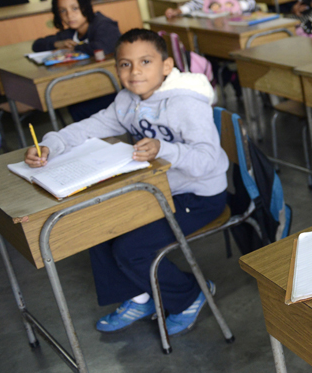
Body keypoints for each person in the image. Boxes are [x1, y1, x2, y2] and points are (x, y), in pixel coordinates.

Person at [25, 29, 229, 336]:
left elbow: (209, 160)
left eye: (145, 61)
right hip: (159, 189)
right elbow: (88, 128)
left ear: (166, 65)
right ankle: (140, 296)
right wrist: (50, 145)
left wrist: (165, 149)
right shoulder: (127, 100)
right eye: (125, 64)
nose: (135, 72)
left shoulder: (186, 103)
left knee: (131, 249)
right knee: (97, 226)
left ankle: (189, 295)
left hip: (199, 195)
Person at [33, 0, 122, 121]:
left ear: (85, 7)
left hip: (115, 86)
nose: (69, 15)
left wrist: (75, 49)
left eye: (74, 8)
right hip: (91, 85)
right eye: (63, 11)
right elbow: (37, 44)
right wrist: (57, 44)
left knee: (78, 109)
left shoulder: (103, 24)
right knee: (70, 104)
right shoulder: (71, 33)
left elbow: (103, 47)